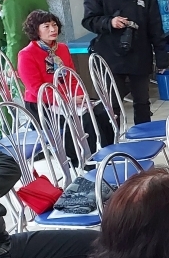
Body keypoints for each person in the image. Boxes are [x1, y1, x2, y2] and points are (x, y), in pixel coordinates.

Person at [82, 0, 168, 124]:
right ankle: (113, 137)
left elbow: (155, 27)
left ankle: (143, 134)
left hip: (140, 54)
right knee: (112, 104)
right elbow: (89, 21)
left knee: (142, 102)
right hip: (110, 55)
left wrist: (162, 59)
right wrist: (109, 22)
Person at [17, 9, 115, 157]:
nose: (52, 29)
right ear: (35, 30)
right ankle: (86, 161)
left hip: (70, 98)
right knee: (85, 120)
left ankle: (110, 154)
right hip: (43, 105)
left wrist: (80, 96)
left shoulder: (62, 48)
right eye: (46, 26)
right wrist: (68, 100)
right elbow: (37, 89)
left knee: (102, 111)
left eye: (54, 25)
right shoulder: (26, 54)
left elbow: (72, 77)